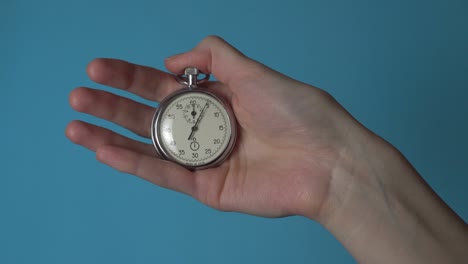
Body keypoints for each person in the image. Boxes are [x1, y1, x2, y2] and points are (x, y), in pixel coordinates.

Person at [66, 36, 468, 263]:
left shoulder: (214, 110)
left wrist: (335, 172)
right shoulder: (181, 114)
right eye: (191, 117)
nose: (193, 120)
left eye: (200, 117)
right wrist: (340, 181)